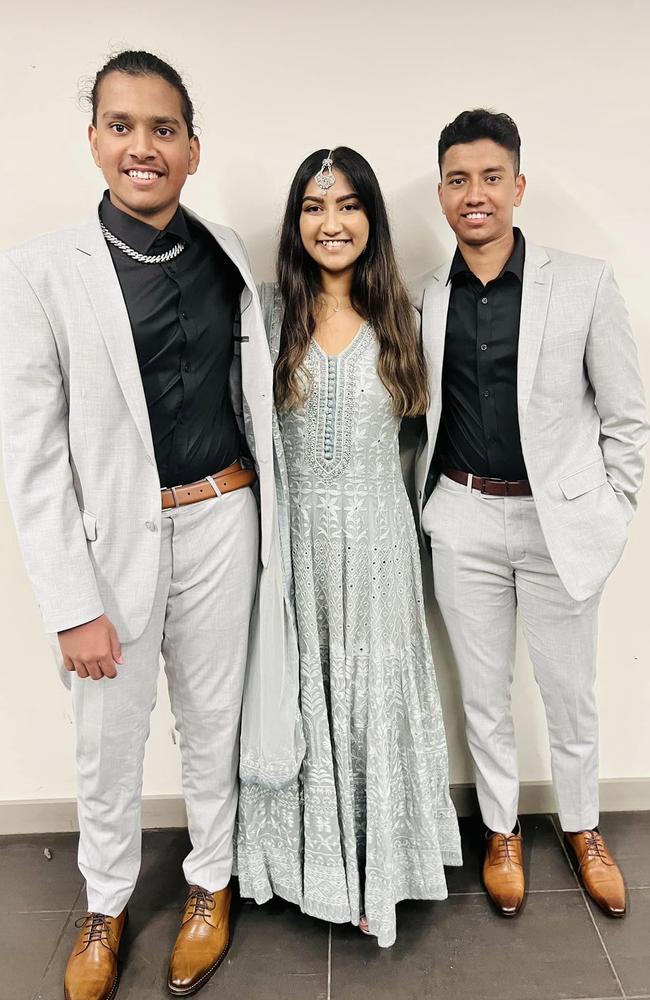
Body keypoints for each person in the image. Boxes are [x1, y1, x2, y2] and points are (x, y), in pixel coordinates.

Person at [0, 51, 275, 1000]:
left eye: (163, 129)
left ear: (193, 150)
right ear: (94, 142)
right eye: (122, 126)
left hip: (223, 517)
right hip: (112, 545)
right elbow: (31, 461)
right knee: (107, 737)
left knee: (214, 722)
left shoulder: (227, 252)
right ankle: (106, 899)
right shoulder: (39, 274)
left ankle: (210, 884)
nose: (143, 147)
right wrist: (71, 602)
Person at [411, 109, 648, 919]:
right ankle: (502, 831)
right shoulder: (426, 296)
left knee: (570, 693)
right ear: (442, 192)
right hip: (465, 519)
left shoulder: (582, 282)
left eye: (488, 177)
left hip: (560, 528)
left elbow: (627, 418)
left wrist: (611, 512)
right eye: (456, 179)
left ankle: (582, 827)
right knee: (482, 692)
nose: (473, 194)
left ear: (517, 184)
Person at [236, 146, 461, 949]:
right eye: (313, 207)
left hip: (378, 548)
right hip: (293, 546)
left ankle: (381, 873)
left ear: (372, 218)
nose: (332, 223)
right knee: (300, 692)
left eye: (348, 205)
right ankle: (304, 870)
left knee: (373, 696)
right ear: (296, 222)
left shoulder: (406, 314)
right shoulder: (265, 317)